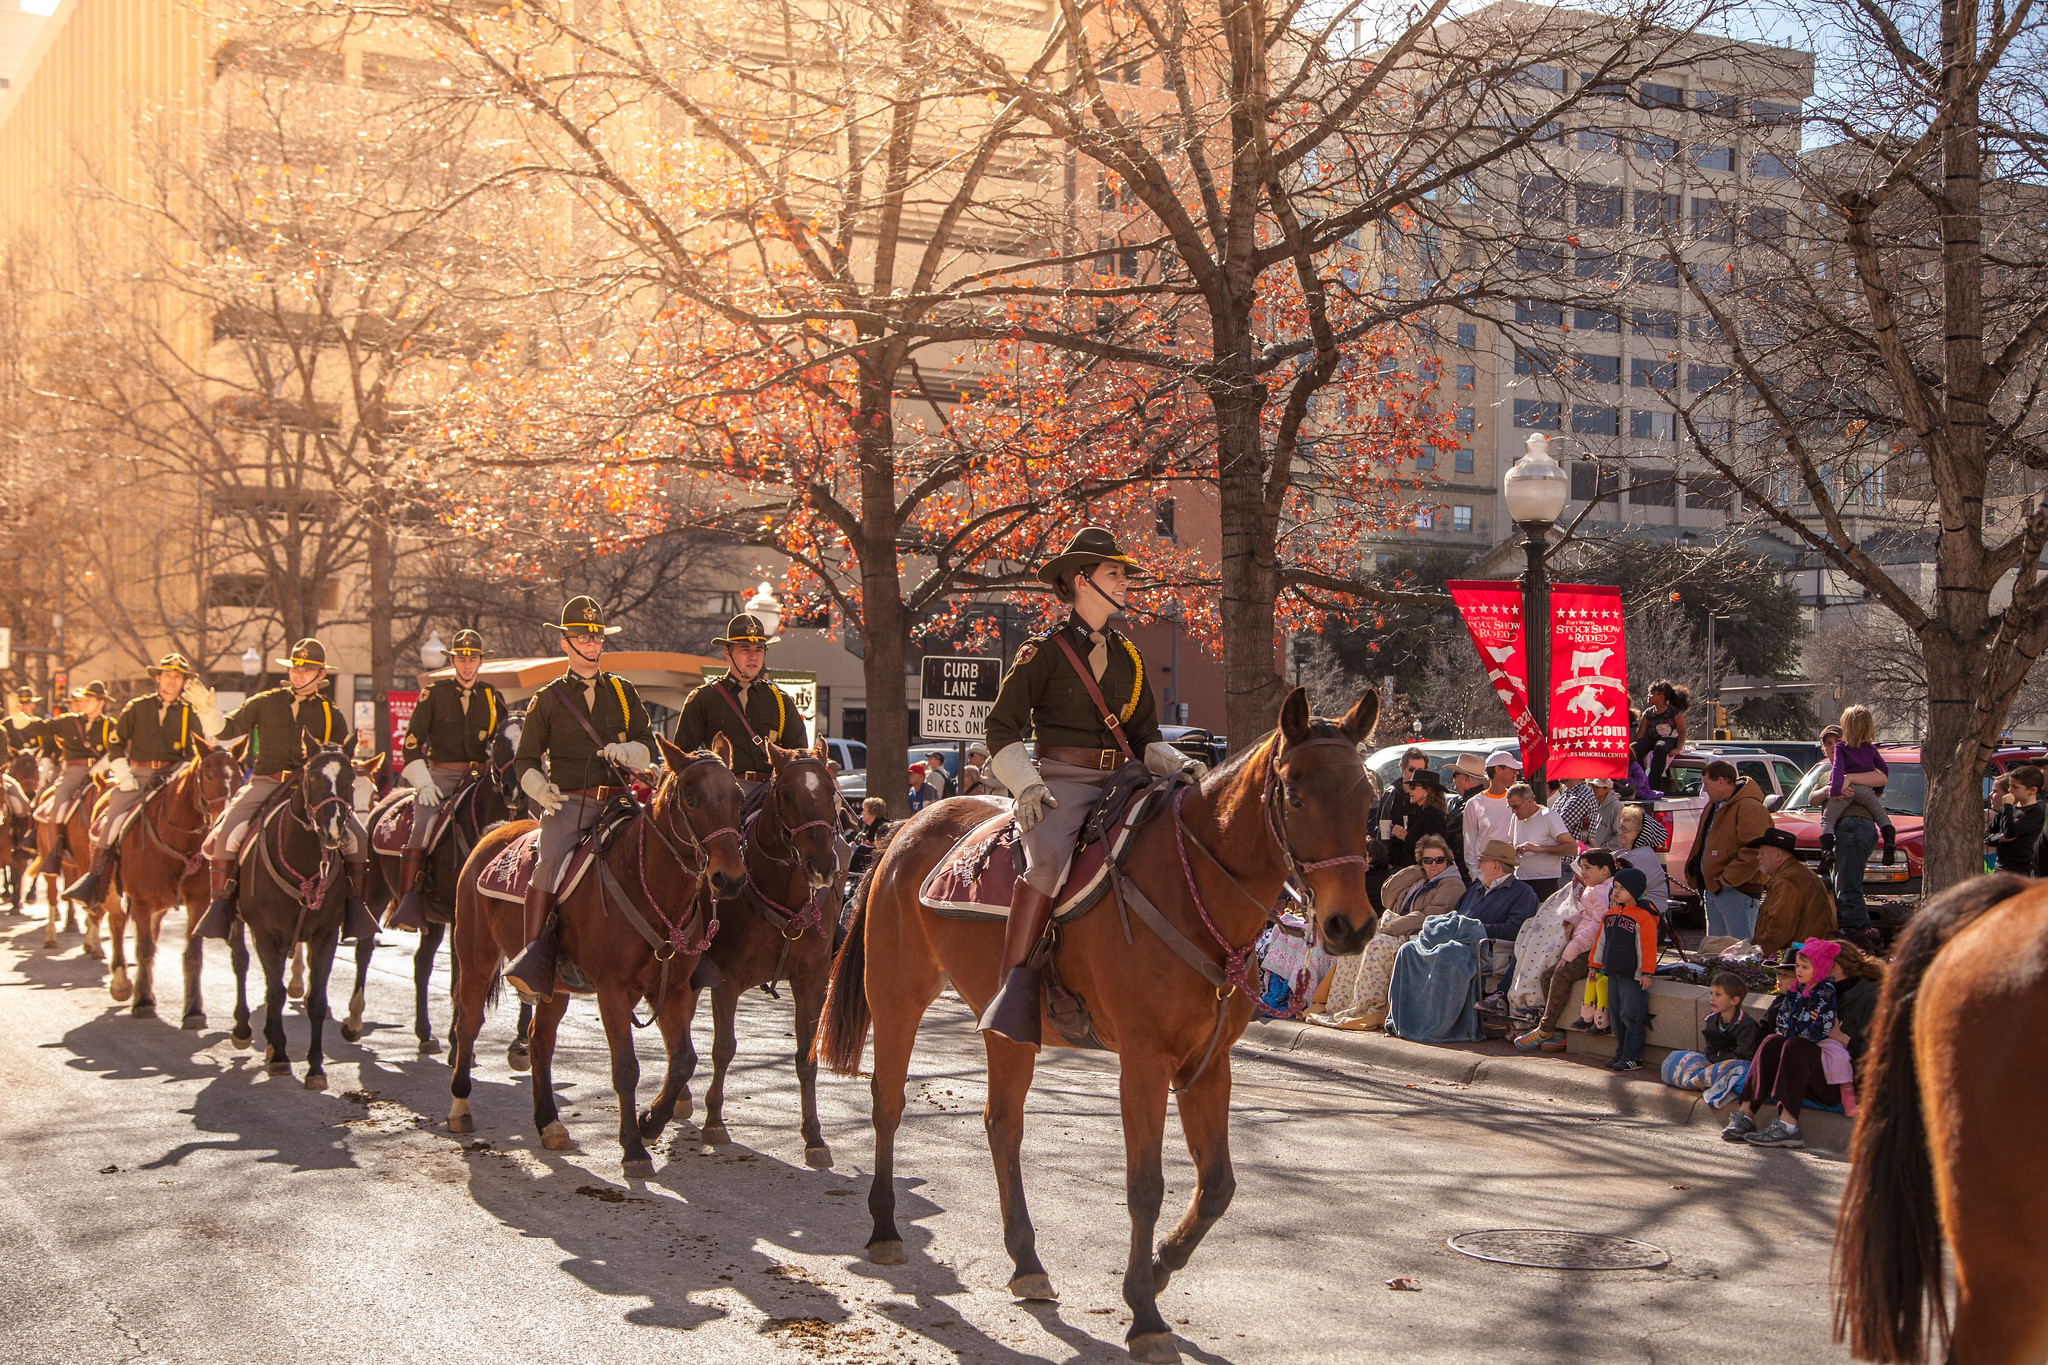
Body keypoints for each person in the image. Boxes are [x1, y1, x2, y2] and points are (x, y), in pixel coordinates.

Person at [977, 526, 1202, 1047]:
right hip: (1061, 782)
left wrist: (1176, 762)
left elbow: (1145, 735)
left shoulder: (1132, 657)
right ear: (1082, 580)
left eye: (1125, 574)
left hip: (1125, 779)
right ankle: (1014, 990)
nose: (1126, 583)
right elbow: (1000, 729)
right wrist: (1026, 786)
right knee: (1049, 864)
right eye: (1115, 573)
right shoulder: (1045, 653)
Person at [502, 597, 659, 1002]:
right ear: (565, 644)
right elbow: (525, 759)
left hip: (619, 802)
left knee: (665, 848)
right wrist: (539, 788)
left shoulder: (623, 691)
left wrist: (630, 754)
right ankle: (533, 960)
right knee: (548, 862)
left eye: (596, 637)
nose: (591, 644)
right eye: (582, 637)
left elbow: (646, 741)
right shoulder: (548, 698)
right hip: (569, 803)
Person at [194, 639, 377, 943]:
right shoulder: (265, 701)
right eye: (295, 667)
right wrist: (208, 714)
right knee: (226, 834)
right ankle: (219, 907)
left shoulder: (332, 714)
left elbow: (337, 760)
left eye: (307, 669)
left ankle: (355, 907)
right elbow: (226, 731)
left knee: (357, 837)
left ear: (321, 674)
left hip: (311, 789)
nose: (299, 673)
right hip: (265, 781)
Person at [61, 656, 208, 906]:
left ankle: (209, 884)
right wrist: (123, 773)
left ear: (183, 681)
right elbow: (116, 742)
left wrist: (181, 770)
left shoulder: (188, 712)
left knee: (205, 818)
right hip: (137, 776)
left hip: (176, 776)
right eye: (168, 675)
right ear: (158, 678)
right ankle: (95, 880)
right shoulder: (137, 707)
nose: (172, 681)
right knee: (111, 819)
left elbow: (197, 749)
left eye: (178, 676)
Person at [388, 629, 510, 931]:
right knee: (423, 824)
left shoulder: (493, 698)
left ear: (481, 661)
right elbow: (411, 744)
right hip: (442, 775)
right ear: (453, 660)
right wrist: (424, 783)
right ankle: (409, 901)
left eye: (473, 659)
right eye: (461, 659)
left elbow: (504, 740)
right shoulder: (434, 693)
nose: (467, 665)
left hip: (482, 777)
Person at [1322, 833, 1463, 1029]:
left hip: (1416, 934)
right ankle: (1340, 1005)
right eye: (1427, 860)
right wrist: (1415, 871)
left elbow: (1430, 915)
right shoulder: (1419, 879)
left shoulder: (1451, 883)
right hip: (1395, 927)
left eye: (1439, 860)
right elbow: (1387, 897)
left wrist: (1392, 929)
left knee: (1377, 946)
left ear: (1447, 860)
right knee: (1354, 944)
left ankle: (1372, 1008)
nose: (1434, 865)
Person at [674, 611, 811, 803]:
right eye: (745, 649)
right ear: (728, 652)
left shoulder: (780, 699)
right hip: (721, 797)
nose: (753, 656)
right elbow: (682, 756)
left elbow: (798, 754)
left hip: (771, 798)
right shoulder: (703, 698)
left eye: (759, 649)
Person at [1725, 938, 1850, 1148]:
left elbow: (1818, 1031)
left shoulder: (1827, 993)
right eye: (1798, 967)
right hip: (1798, 1069)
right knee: (1773, 1040)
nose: (1798, 972)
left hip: (1829, 1077)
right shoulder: (1793, 994)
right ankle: (1745, 1114)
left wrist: (1805, 1028)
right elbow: (1781, 1024)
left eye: (1803, 967)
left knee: (1794, 1044)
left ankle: (1788, 1127)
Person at [1514, 848, 1616, 1052]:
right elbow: (1588, 914)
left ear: (1604, 870)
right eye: (1582, 868)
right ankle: (1559, 1030)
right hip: (1587, 948)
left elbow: (1597, 927)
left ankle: (1544, 1029)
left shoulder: (1604, 892)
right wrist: (1574, 919)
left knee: (1560, 975)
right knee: (1547, 976)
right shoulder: (1596, 889)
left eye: (1588, 868)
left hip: (1597, 953)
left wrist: (1570, 952)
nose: (1583, 872)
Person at [28, 680, 117, 847]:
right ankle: (55, 851)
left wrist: (102, 766)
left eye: (88, 700)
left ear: (101, 702)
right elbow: (44, 738)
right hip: (72, 772)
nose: (82, 704)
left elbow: (116, 749)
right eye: (82, 700)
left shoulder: (110, 725)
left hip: (103, 773)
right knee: (57, 807)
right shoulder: (68, 721)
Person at [1691, 759, 1772, 941]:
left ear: (1721, 781)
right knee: (1716, 950)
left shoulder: (1749, 807)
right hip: (1714, 889)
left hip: (1738, 890)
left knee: (1739, 951)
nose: (1704, 790)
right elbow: (1702, 844)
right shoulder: (1714, 806)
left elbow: (1753, 851)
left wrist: (1728, 879)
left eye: (1706, 784)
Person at [1588, 865, 1659, 1071]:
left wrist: (1646, 972)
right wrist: (1595, 964)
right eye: (1615, 887)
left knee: (1632, 1015)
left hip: (1633, 976)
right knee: (1617, 1015)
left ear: (1635, 891)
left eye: (1622, 888)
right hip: (1613, 973)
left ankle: (1633, 1056)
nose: (1616, 891)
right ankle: (1621, 1051)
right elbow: (1600, 942)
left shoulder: (1643, 917)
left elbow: (1646, 947)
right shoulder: (1609, 914)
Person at [1662, 971, 1764, 1101]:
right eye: (1711, 993)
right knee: (1678, 1059)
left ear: (1734, 1000)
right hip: (1717, 1063)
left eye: (1718, 995)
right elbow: (1709, 1051)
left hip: (1741, 1066)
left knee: (1732, 1072)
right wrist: (1715, 1061)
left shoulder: (1746, 1025)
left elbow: (1744, 1055)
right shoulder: (1712, 1020)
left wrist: (1720, 1059)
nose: (1712, 998)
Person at [1821, 704, 1897, 866]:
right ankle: (1889, 842)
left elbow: (1838, 768)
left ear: (1846, 727)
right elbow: (1884, 769)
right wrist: (1878, 790)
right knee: (1882, 817)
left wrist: (1835, 790)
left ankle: (1826, 852)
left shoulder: (1842, 747)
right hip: (1865, 791)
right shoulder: (1871, 749)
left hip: (1845, 790)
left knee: (1828, 820)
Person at [1748, 827, 1838, 956]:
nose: (1758, 857)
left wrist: (1756, 955)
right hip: (1809, 955)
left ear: (1778, 855)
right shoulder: (1795, 874)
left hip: (1801, 958)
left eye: (1762, 853)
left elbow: (1779, 930)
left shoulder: (1787, 880)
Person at [1451, 838, 1538, 967]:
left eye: (1482, 861)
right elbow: (1456, 913)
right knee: (1412, 949)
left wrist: (1475, 928)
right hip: (1458, 944)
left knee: (1444, 954)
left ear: (1496, 866)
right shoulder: (1476, 888)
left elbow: (1515, 930)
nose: (1478, 866)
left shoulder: (1523, 893)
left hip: (1485, 952)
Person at [1369, 747, 1429, 908]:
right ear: (1402, 769)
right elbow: (1380, 829)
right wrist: (1383, 860)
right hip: (1391, 864)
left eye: (1421, 770)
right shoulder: (1391, 793)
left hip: (1419, 865)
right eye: (1411, 769)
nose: (1415, 774)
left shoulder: (1428, 797)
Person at [1505, 783, 1574, 901]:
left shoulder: (1548, 817)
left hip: (1544, 880)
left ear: (1530, 801)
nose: (1513, 811)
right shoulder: (1516, 817)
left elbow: (1571, 847)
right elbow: (1512, 841)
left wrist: (1539, 848)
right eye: (1510, 807)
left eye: (1516, 807)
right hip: (1520, 878)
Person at [1460, 749, 1519, 878]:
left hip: (1514, 874)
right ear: (1498, 770)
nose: (1517, 772)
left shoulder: (1518, 801)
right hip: (1485, 874)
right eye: (1512, 769)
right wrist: (1476, 874)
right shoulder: (1474, 804)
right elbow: (1470, 842)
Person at [1632, 680, 1690, 792]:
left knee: (1660, 747)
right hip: (1651, 738)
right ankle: (1640, 779)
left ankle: (1653, 784)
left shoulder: (1674, 712)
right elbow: (1641, 733)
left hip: (1668, 739)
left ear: (1661, 696)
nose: (1649, 696)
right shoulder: (1648, 713)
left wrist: (1678, 748)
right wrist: (1636, 745)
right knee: (1634, 747)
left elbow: (1682, 731)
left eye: (1652, 694)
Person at [1614, 804, 1671, 914]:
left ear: (1640, 834)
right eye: (1621, 827)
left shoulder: (1642, 855)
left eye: (1626, 830)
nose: (1620, 833)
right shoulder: (1625, 852)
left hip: (1649, 912)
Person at [1987, 764, 2043, 875]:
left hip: (2021, 870)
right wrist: (2000, 838)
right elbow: (1987, 837)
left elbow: (2010, 832)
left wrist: (2007, 806)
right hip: (2000, 868)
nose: (2010, 790)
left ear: (2032, 790)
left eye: (2015, 787)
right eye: (2010, 786)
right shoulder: (2008, 808)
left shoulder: (2035, 813)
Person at [1444, 753, 1487, 879]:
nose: (1452, 780)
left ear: (1466, 780)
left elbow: (1452, 838)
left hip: (1465, 873)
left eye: (1454, 775)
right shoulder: (1463, 802)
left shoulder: (1471, 805)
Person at [1554, 776, 1622, 849]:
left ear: (1607, 789)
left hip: (1602, 853)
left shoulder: (1616, 807)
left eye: (1597, 787)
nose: (1594, 789)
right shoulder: (1565, 797)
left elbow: (1620, 835)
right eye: (1593, 786)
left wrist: (1603, 848)